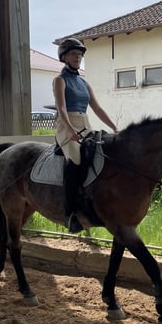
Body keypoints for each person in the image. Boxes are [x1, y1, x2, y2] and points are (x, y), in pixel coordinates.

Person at [53, 38, 118, 232]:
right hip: (66, 126)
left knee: (100, 154)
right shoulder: (59, 80)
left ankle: (93, 202)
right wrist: (70, 130)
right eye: (74, 54)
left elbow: (96, 108)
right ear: (64, 57)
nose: (78, 57)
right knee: (76, 160)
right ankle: (70, 212)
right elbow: (61, 107)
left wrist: (114, 127)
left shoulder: (84, 83)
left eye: (80, 55)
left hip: (85, 125)